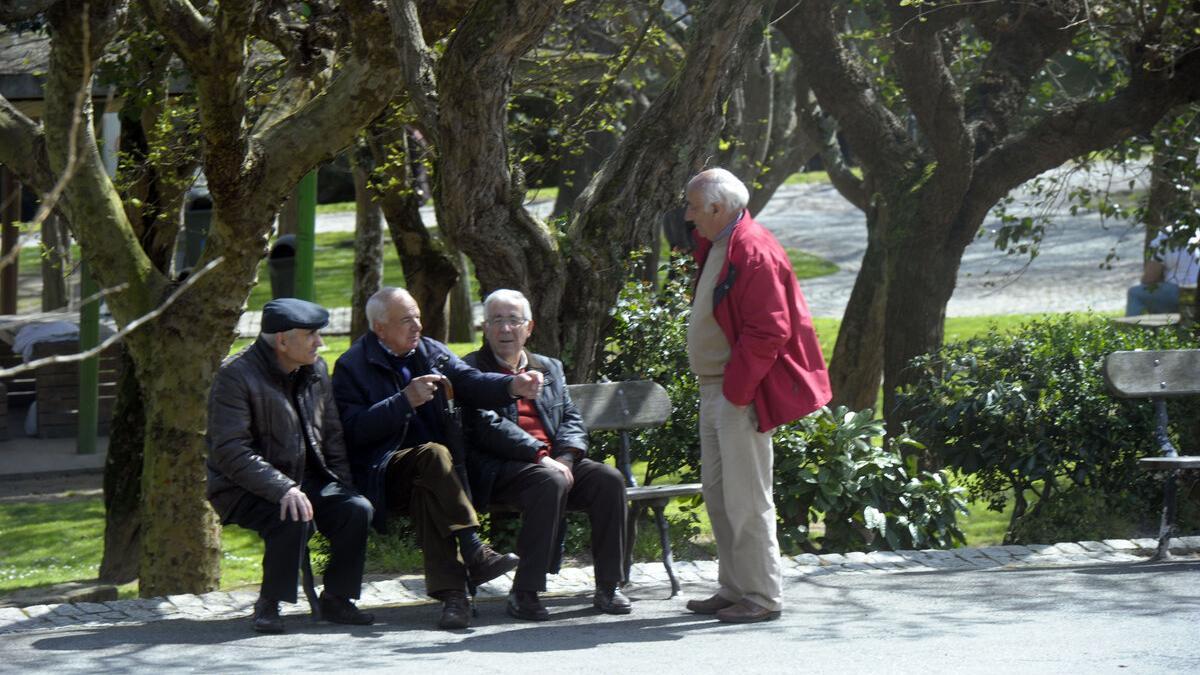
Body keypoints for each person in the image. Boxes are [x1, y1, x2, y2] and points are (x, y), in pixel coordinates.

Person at [332, 287, 540, 630]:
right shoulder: (353, 365)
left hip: (434, 475)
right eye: (405, 320)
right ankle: (474, 548)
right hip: (382, 472)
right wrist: (403, 401)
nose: (416, 325)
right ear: (380, 328)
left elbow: (471, 381)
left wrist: (511, 387)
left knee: (430, 486)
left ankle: (454, 600)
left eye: (417, 316)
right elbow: (351, 431)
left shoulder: (429, 351)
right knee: (434, 456)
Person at [682, 168, 831, 624]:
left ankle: (763, 595)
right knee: (720, 494)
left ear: (716, 207)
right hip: (716, 387)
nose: (688, 217)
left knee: (747, 497)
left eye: (692, 207)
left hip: (734, 390)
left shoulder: (752, 247)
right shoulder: (723, 242)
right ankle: (735, 586)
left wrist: (737, 393)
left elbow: (769, 329)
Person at [207, 298, 375, 634]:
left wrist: (343, 484)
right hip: (245, 486)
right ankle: (269, 603)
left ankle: (338, 598)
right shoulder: (234, 376)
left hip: (308, 479)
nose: (320, 342)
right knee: (291, 512)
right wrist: (282, 487)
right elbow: (230, 450)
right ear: (283, 341)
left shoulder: (316, 369)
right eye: (311, 334)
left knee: (356, 508)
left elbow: (331, 435)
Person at [464, 289, 631, 621]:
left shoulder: (549, 367)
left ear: (529, 327)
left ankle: (609, 586)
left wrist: (567, 457)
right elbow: (487, 426)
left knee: (608, 480)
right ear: (485, 327)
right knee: (548, 482)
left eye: (514, 321)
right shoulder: (472, 370)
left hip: (554, 464)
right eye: (497, 320)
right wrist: (541, 457)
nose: (506, 329)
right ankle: (525, 592)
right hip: (500, 469)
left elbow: (570, 417)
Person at [1125, 228, 1200, 315]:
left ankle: (1134, 326)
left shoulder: (1164, 237)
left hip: (1178, 291)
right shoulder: (1196, 232)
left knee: (1135, 293)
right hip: (1196, 292)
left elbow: (1150, 278)